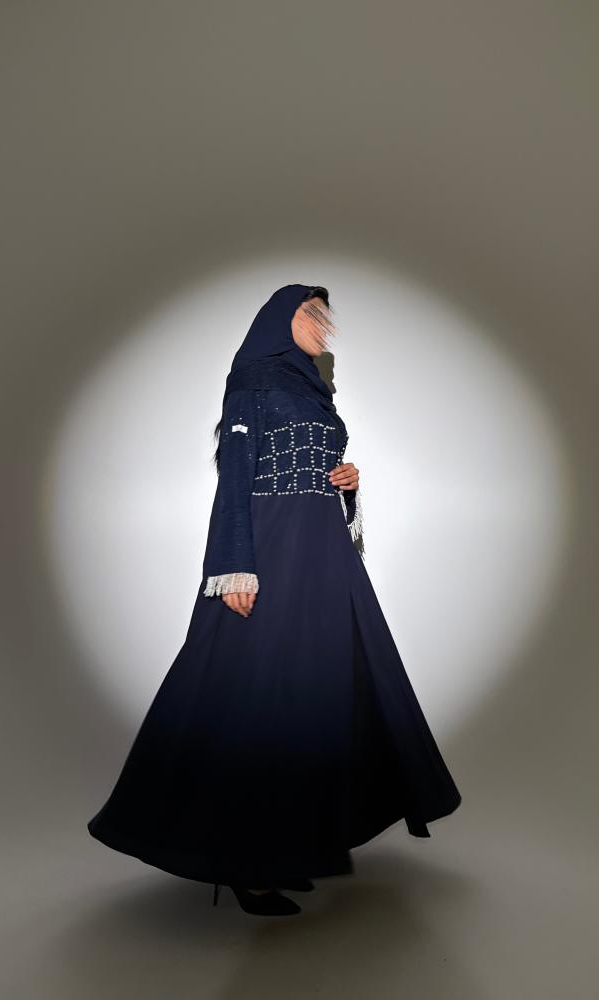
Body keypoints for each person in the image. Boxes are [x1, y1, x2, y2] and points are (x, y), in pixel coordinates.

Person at [87, 283, 462, 917]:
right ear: (278, 320)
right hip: (272, 549)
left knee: (321, 689)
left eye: (327, 317)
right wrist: (235, 568)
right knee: (252, 693)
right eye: (311, 315)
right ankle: (242, 861)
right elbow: (235, 478)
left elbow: (317, 473)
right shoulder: (253, 382)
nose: (324, 327)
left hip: (324, 555)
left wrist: (348, 484)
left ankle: (293, 845)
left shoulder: (317, 392)